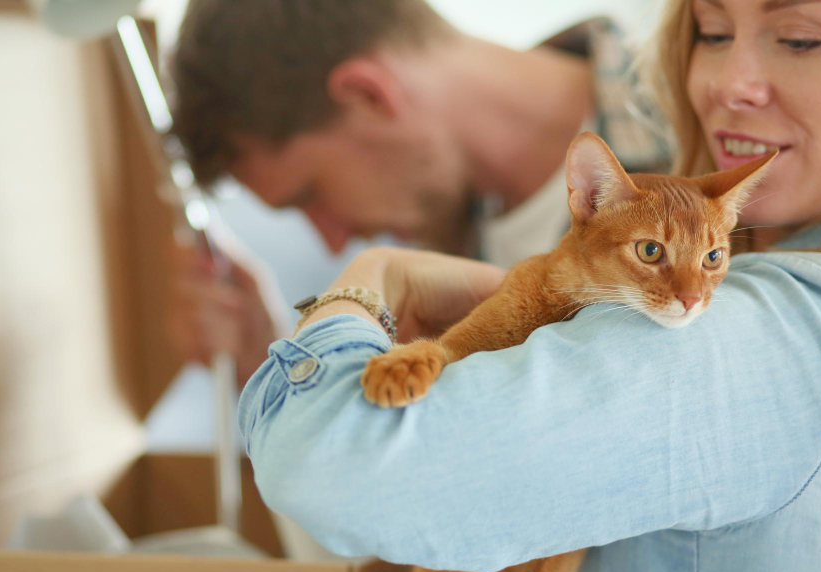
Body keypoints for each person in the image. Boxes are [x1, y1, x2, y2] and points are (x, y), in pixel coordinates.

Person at [235, 0, 821, 572]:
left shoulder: (774, 332)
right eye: (712, 31)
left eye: (802, 39)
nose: (729, 82)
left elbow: (326, 461)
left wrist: (368, 281)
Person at [166, 0, 670, 387]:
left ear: (368, 96)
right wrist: (270, 367)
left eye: (309, 194)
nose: (335, 243)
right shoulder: (434, 292)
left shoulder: (714, 155)